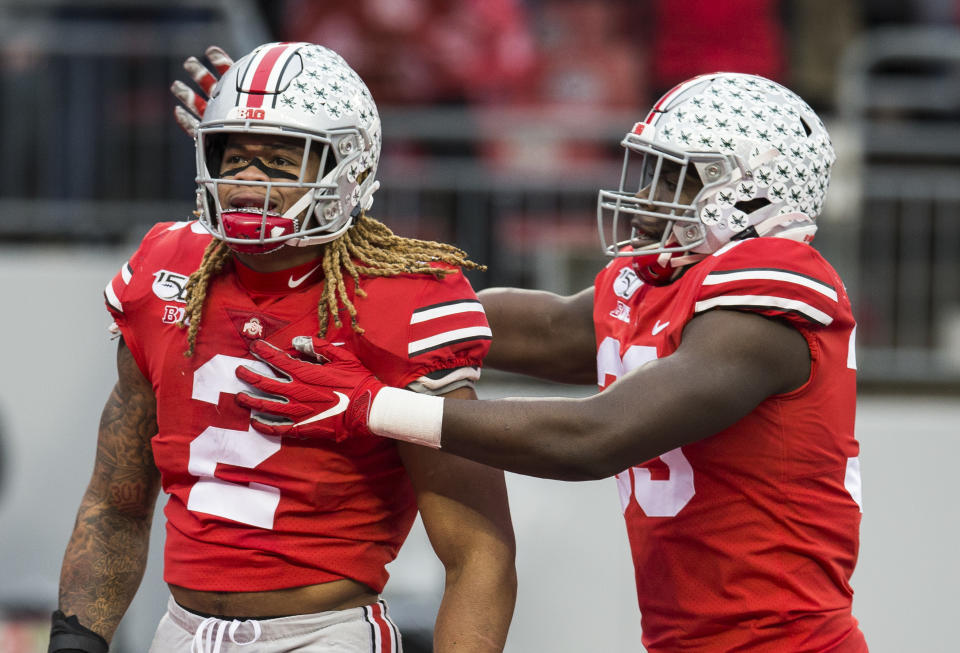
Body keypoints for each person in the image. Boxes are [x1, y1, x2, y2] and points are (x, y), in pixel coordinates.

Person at [234, 72, 869, 651]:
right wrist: (296, 197)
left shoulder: (772, 287)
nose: (647, 197)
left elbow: (591, 438)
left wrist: (376, 408)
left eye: (677, 179)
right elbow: (510, 323)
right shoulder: (662, 284)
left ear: (753, 195)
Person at [49, 42, 516, 653]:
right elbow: (116, 501)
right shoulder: (166, 267)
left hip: (321, 635)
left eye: (278, 160)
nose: (246, 180)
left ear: (346, 170)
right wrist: (75, 641)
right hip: (179, 633)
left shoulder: (402, 297)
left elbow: (478, 552)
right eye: (234, 155)